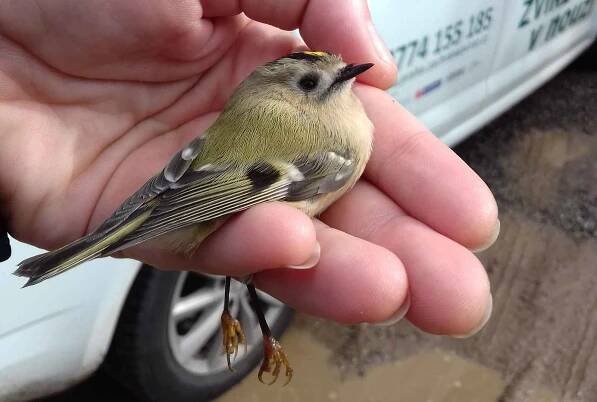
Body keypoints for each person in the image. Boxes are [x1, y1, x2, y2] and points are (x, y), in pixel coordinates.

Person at [0, 0, 498, 337]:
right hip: (209, 191)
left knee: (158, 233)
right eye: (309, 82)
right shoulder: (337, 140)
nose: (342, 79)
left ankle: (90, 245)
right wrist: (158, 213)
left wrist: (152, 209)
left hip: (191, 180)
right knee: (261, 243)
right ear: (283, 96)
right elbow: (242, 183)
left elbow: (204, 171)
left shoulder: (292, 118)